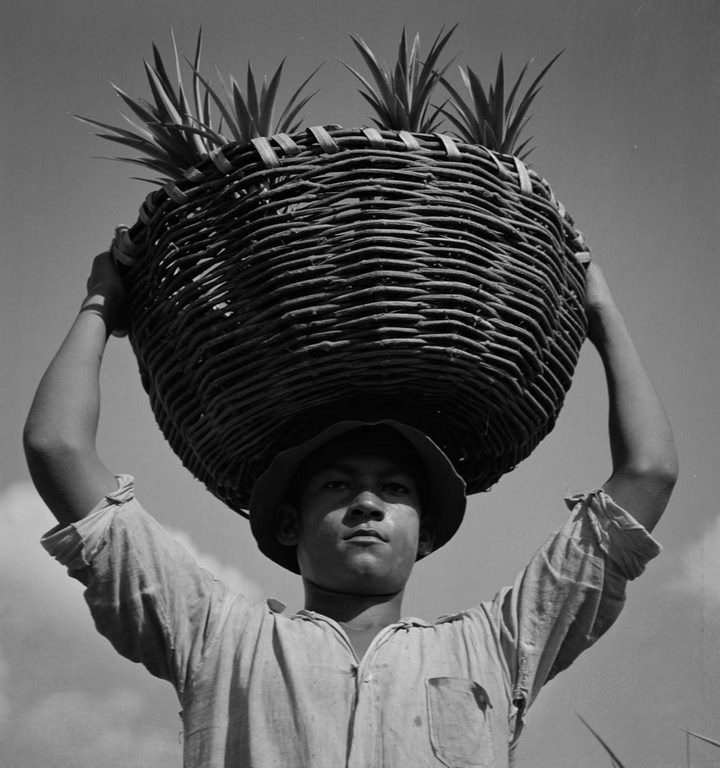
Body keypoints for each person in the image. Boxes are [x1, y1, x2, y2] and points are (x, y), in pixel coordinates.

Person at [23, 251, 677, 767]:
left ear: (424, 534)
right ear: (289, 524)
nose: (368, 503)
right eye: (337, 487)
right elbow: (57, 446)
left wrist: (601, 313)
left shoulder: (501, 647)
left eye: (395, 490)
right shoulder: (216, 636)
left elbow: (647, 473)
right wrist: (101, 305)